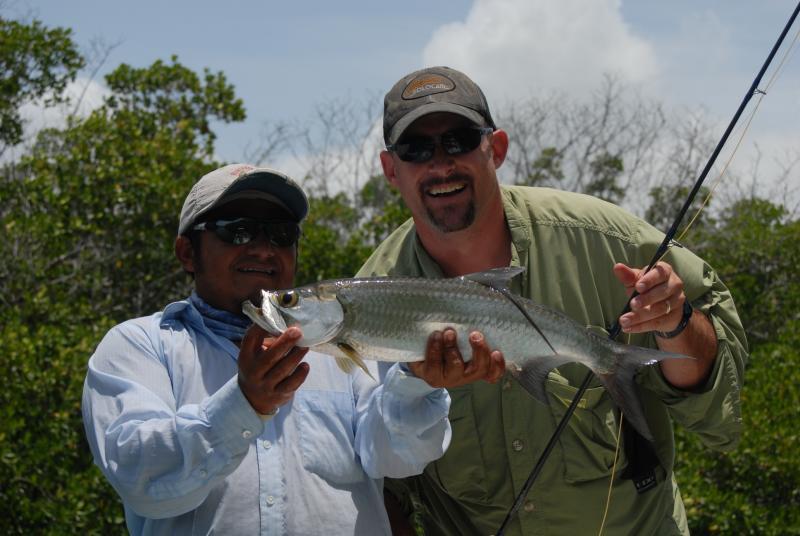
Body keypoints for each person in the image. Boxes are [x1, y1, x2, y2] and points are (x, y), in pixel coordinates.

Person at [357, 66, 748, 535]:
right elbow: (378, 485)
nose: (441, 165)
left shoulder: (609, 243)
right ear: (390, 170)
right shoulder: (370, 295)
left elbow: (718, 414)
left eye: (459, 140)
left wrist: (677, 323)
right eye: (416, 150)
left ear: (495, 149)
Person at [81, 163, 502, 535]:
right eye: (237, 231)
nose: (264, 248)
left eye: (281, 234)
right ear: (187, 252)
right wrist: (244, 405)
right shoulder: (139, 346)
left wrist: (417, 382)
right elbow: (142, 480)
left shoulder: (343, 343)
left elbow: (397, 457)